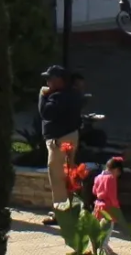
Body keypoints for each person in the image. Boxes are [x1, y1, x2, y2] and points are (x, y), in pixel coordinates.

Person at [38, 65, 83, 209]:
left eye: (50, 79)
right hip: (72, 136)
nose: (47, 82)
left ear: (59, 80)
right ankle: (71, 206)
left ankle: (61, 211)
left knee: (57, 176)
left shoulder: (57, 97)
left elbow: (45, 113)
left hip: (59, 141)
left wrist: (42, 95)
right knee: (69, 173)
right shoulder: (74, 94)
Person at [91, 156, 123, 221]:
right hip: (107, 208)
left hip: (97, 206)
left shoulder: (98, 177)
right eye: (118, 174)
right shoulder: (111, 178)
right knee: (107, 228)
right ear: (116, 170)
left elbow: (94, 191)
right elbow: (112, 196)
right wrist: (117, 208)